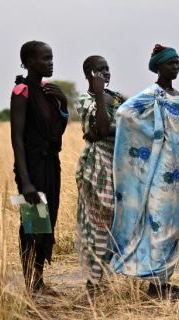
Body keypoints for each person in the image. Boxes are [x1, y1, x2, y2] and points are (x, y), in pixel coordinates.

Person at [109, 44, 179, 299]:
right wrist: (154, 136)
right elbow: (125, 113)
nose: (175, 67)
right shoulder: (152, 94)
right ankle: (157, 286)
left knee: (172, 226)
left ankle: (164, 280)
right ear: (158, 67)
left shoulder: (176, 94)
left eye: (177, 62)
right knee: (159, 225)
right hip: (159, 173)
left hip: (177, 174)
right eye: (170, 63)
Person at [10, 41, 69, 296]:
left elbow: (56, 133)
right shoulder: (21, 91)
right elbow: (17, 138)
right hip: (32, 166)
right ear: (29, 62)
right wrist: (26, 181)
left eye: (52, 57)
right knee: (33, 224)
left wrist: (63, 104)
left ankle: (40, 281)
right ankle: (31, 285)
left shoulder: (48, 91)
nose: (50, 62)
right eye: (45, 58)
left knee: (48, 222)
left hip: (50, 164)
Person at [75, 55, 125, 296]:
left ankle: (105, 278)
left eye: (107, 68)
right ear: (88, 74)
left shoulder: (116, 98)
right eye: (99, 70)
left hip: (118, 165)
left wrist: (107, 130)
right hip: (97, 167)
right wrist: (97, 95)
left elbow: (129, 126)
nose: (105, 73)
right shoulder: (85, 99)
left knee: (114, 224)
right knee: (97, 224)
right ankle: (93, 283)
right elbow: (102, 129)